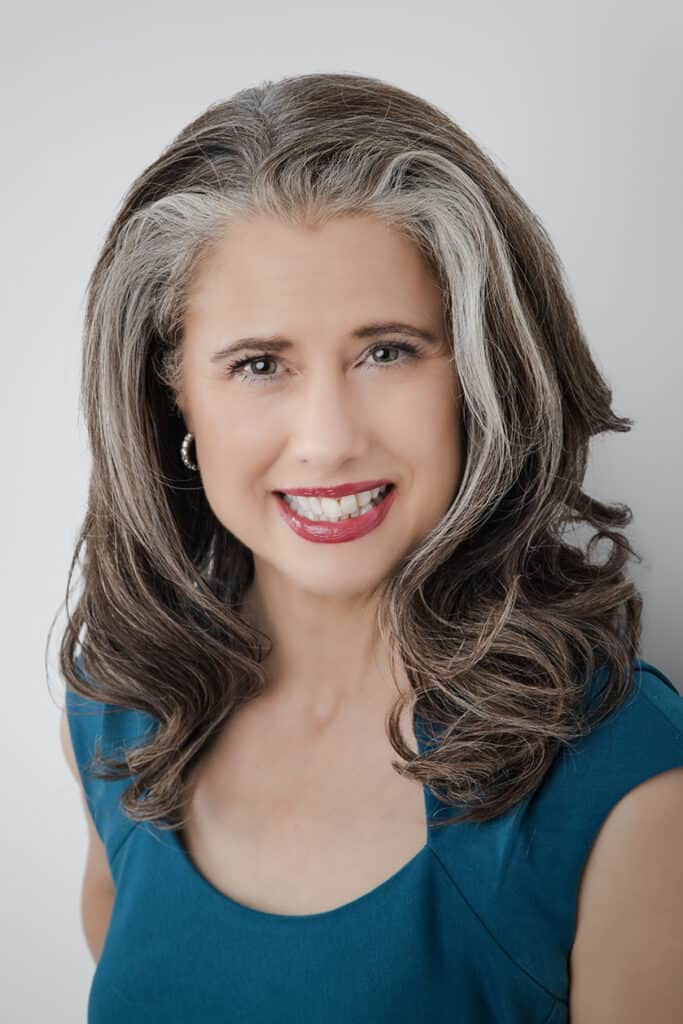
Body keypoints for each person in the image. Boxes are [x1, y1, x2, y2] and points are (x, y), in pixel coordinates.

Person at [57, 71, 683, 1023]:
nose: (328, 438)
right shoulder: (119, 713)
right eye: (259, 364)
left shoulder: (622, 772)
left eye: (386, 350)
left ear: (479, 372)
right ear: (173, 392)